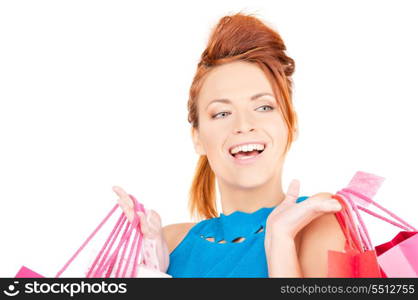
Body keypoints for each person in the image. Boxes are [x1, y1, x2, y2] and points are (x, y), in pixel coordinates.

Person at [113, 12, 346, 278]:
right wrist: (146, 274)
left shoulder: (314, 224)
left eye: (263, 107)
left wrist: (280, 243)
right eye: (222, 113)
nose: (244, 124)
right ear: (197, 138)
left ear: (291, 126)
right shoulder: (169, 242)